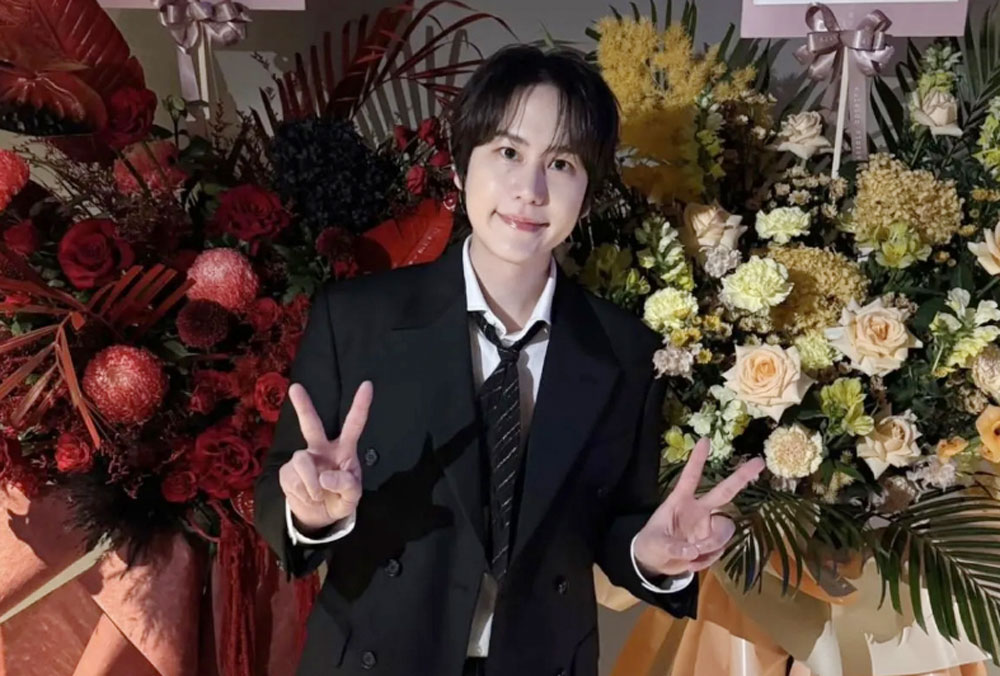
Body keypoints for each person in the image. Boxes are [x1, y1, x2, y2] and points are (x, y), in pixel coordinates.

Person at [254, 44, 764, 676]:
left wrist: (649, 554)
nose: (531, 190)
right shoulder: (356, 320)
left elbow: (610, 522)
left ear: (588, 193)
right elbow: (277, 491)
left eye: (562, 163)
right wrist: (309, 512)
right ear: (460, 166)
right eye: (508, 153)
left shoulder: (625, 351)